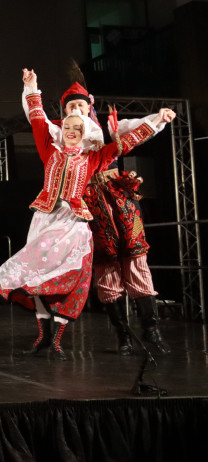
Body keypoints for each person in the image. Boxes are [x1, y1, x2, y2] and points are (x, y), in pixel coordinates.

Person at [0, 69, 174, 360]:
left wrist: (157, 121)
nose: (74, 126)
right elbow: (37, 118)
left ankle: (145, 332)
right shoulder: (49, 147)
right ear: (62, 124)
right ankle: (64, 334)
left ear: (89, 110)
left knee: (114, 267)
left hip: (95, 212)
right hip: (61, 215)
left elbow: (129, 139)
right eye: (69, 118)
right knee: (70, 271)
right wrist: (31, 87)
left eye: (80, 111)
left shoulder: (100, 144)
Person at [59, 81, 172, 355]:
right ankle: (124, 335)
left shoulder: (104, 128)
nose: (76, 109)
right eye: (71, 106)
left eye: (81, 105)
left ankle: (152, 330)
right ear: (64, 113)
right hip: (87, 202)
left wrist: (158, 119)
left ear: (89, 106)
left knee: (135, 259)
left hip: (117, 197)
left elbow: (132, 132)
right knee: (105, 267)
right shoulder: (61, 136)